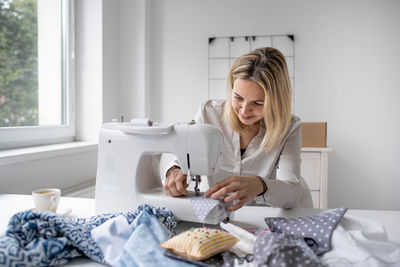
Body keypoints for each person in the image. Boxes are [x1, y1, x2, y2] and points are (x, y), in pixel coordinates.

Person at [163, 47, 313, 211]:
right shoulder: (208, 113)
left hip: (266, 215)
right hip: (219, 213)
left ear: (276, 101)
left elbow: (291, 193)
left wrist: (260, 185)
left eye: (258, 103)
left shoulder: (289, 127)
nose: (244, 110)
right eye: (238, 98)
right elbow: (184, 156)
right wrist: (174, 171)